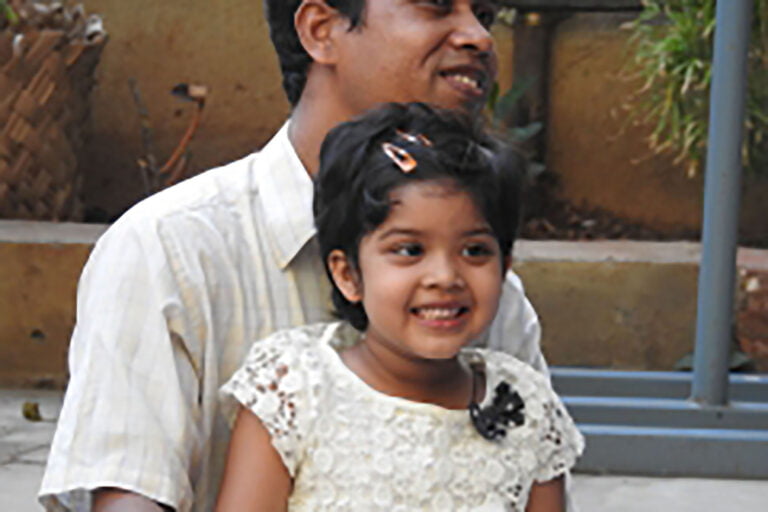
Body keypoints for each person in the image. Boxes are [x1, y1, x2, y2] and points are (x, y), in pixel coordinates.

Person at [40, 1, 551, 511]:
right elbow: (128, 496)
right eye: (436, 5)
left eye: (483, 13)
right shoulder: (171, 249)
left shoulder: (484, 294)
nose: (478, 37)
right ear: (321, 29)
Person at [216, 102, 584, 511]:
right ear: (348, 275)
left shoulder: (525, 405)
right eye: (410, 250)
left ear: (504, 268)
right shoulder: (294, 390)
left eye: (474, 250)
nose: (445, 276)